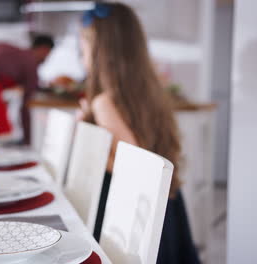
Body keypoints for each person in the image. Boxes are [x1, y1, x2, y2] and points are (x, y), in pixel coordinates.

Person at [78, 3, 200, 264]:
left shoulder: (104, 102)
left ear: (101, 52)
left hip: (131, 214)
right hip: (164, 205)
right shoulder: (148, 93)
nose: (81, 58)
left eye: (83, 49)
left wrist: (89, 138)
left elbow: (135, 168)